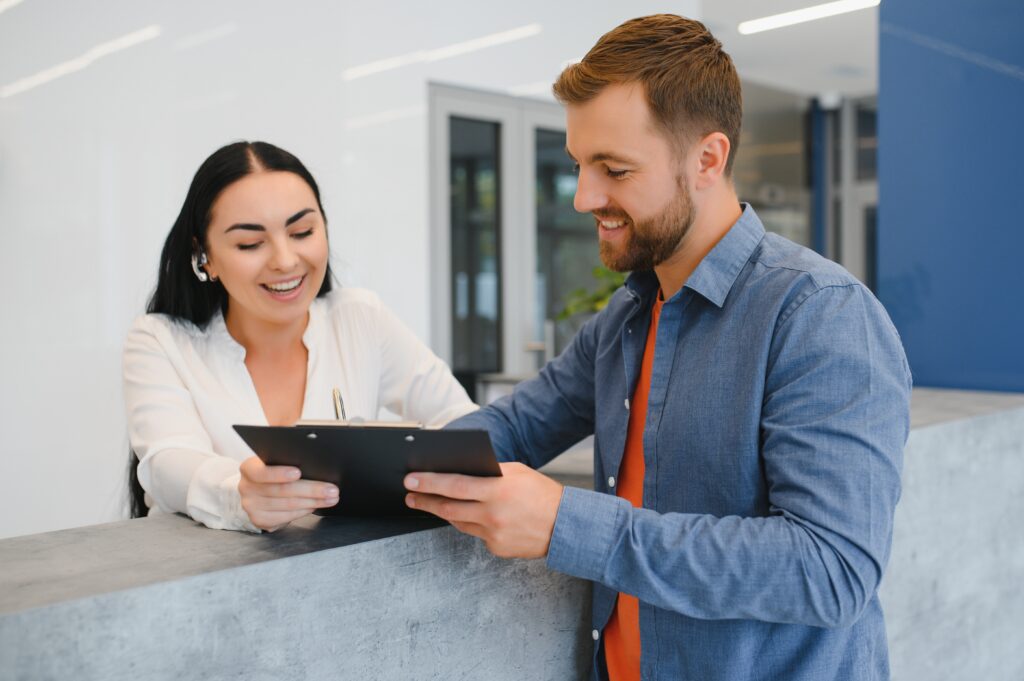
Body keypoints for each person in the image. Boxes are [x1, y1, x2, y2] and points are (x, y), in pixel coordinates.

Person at [402, 14, 912, 681]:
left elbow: (831, 569)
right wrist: (347, 473)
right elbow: (513, 425)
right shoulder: (627, 317)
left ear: (707, 159)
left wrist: (567, 523)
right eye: (581, 165)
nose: (586, 197)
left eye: (614, 169)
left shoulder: (820, 315)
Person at [124, 141, 475, 533]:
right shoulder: (160, 341)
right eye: (250, 243)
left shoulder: (360, 319)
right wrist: (239, 492)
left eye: (302, 231)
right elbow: (167, 461)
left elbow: (464, 425)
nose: (285, 260)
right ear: (204, 255)